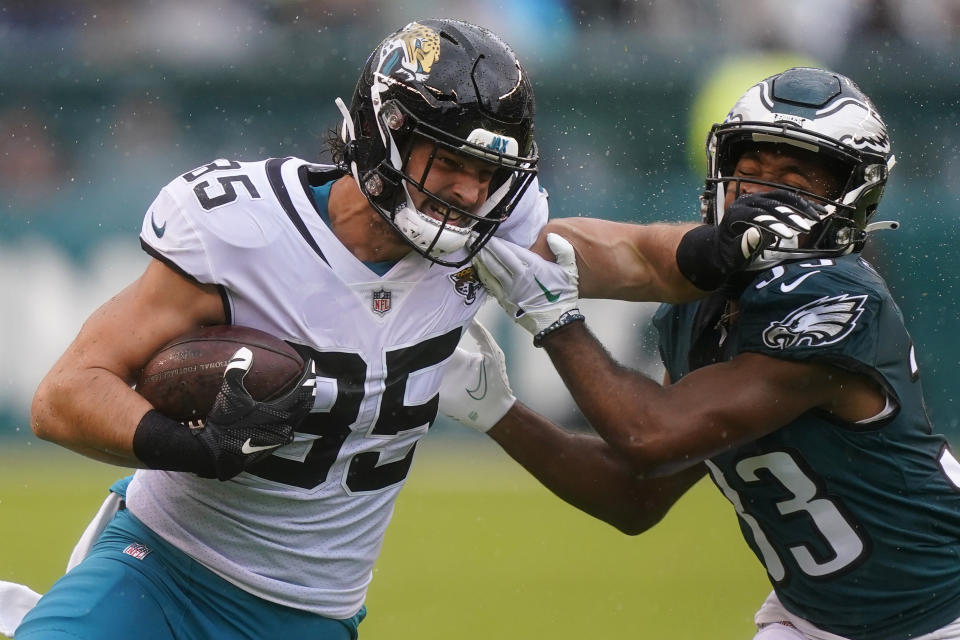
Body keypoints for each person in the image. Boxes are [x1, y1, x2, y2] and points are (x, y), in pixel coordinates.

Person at [9, 18, 818, 640]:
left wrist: (722, 244)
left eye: (489, 173)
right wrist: (190, 445)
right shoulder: (243, 227)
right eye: (450, 162)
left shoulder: (490, 231)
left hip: (315, 610)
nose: (470, 193)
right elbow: (64, 396)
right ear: (379, 133)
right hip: (166, 566)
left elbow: (634, 258)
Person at [441, 67, 960, 640]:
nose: (762, 195)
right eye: (750, 172)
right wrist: (497, 413)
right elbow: (635, 493)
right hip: (816, 620)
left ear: (849, 196)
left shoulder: (837, 300)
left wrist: (556, 319)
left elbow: (650, 435)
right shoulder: (700, 303)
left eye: (794, 178)